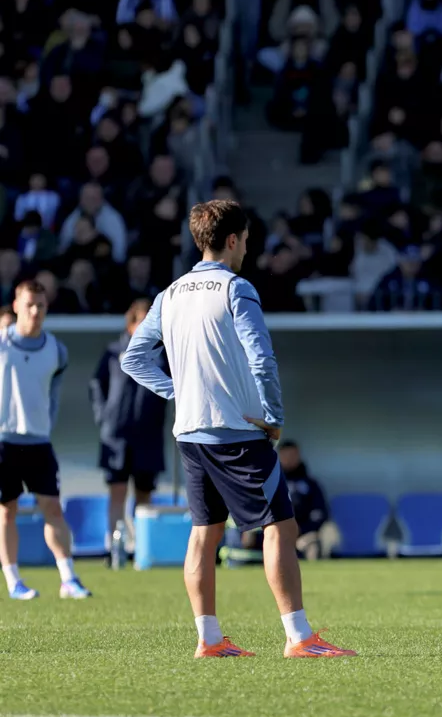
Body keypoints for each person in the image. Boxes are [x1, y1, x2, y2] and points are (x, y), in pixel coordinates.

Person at [120, 200, 355, 659]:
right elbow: (261, 357)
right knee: (280, 528)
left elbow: (134, 358)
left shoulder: (169, 294)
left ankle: (208, 640)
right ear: (232, 240)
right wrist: (274, 415)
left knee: (203, 533)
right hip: (239, 432)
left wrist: (179, 392)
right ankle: (299, 637)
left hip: (190, 434)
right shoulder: (237, 289)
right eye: (246, 240)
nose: (247, 248)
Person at [0, 281, 90, 600]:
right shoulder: (2, 342)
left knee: (52, 507)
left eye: (41, 305)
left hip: (38, 441)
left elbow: (52, 395)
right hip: (3, 440)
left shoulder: (56, 350)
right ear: (15, 306)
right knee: (7, 510)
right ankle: (13, 582)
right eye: (29, 305)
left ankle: (68, 578)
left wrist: (46, 425)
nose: (35, 311)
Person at [91, 298, 169, 551]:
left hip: (148, 435)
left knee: (144, 493)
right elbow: (96, 384)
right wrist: (103, 414)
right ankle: (113, 546)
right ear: (131, 324)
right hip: (117, 434)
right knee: (118, 489)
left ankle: (141, 546)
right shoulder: (113, 352)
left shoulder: (162, 354)